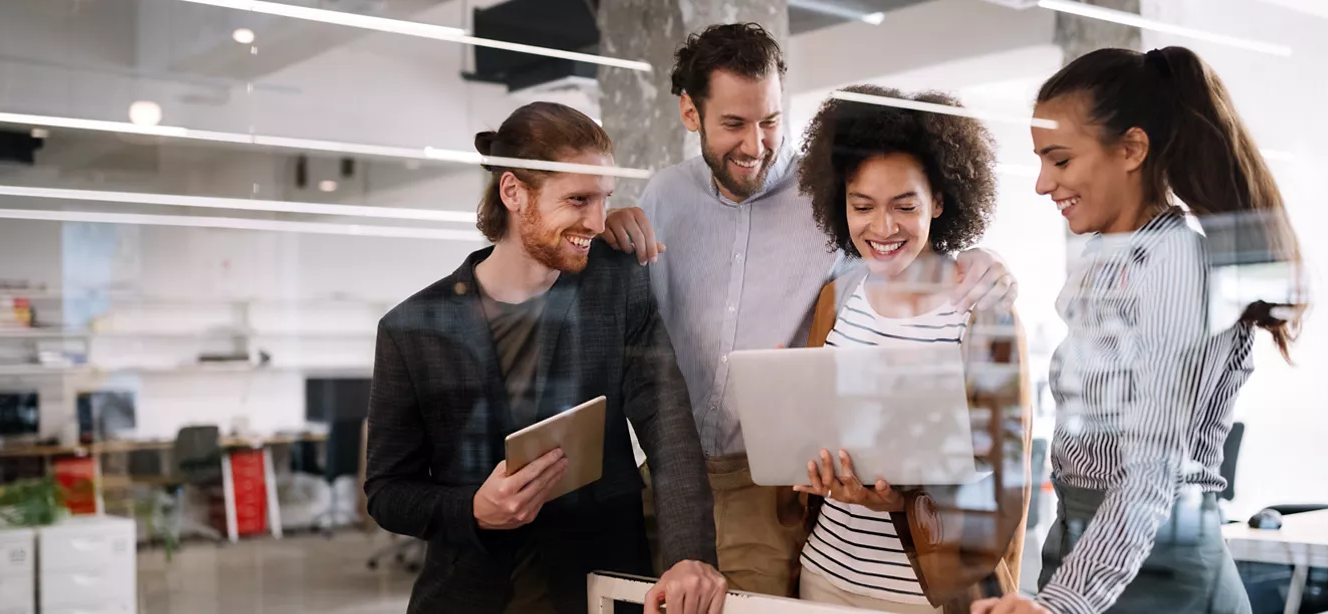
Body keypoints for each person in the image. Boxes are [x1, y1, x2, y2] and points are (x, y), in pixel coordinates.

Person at [601, 22, 1019, 597]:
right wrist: (603, 226)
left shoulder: (822, 198)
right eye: (733, 124)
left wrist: (981, 256)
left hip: (767, 488)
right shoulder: (662, 197)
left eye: (770, 121)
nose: (755, 145)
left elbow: (902, 254)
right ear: (689, 113)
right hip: (668, 474)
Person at [971, 47, 1305, 614]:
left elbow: (1150, 467)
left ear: (1131, 149)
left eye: (1059, 160)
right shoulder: (1108, 259)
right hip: (1087, 544)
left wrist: (1063, 604)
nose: (1042, 183)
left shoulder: (1175, 265)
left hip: (1157, 564)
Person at [363, 101, 727, 614]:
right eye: (578, 200)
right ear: (513, 192)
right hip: (471, 593)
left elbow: (669, 430)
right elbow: (386, 492)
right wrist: (474, 509)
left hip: (599, 584)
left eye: (605, 199)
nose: (598, 222)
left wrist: (690, 556)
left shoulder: (618, 287)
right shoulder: (411, 329)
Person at [786, 85, 1033, 614]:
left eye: (905, 205)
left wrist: (904, 500)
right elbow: (811, 417)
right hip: (824, 575)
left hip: (927, 595)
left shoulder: (982, 310)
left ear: (939, 201)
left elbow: (1004, 478)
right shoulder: (838, 298)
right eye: (862, 206)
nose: (883, 227)